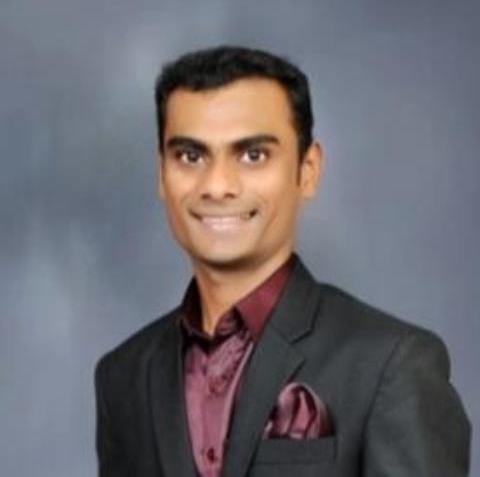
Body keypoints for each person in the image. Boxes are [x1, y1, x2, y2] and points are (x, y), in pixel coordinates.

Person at [94, 46, 471, 477]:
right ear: (162, 174)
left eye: (252, 155)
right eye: (191, 156)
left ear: (307, 170)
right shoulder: (123, 376)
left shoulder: (391, 364)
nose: (217, 185)